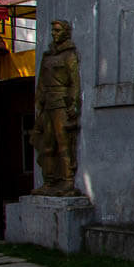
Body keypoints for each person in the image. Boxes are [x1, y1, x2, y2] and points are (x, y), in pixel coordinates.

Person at [31, 20, 82, 196]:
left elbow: (74, 83)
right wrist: (39, 104)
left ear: (66, 33)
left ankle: (67, 181)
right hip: (47, 104)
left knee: (63, 144)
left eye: (57, 30)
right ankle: (49, 181)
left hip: (61, 104)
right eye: (52, 30)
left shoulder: (69, 55)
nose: (54, 33)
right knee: (46, 145)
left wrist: (74, 105)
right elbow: (40, 84)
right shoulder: (47, 56)